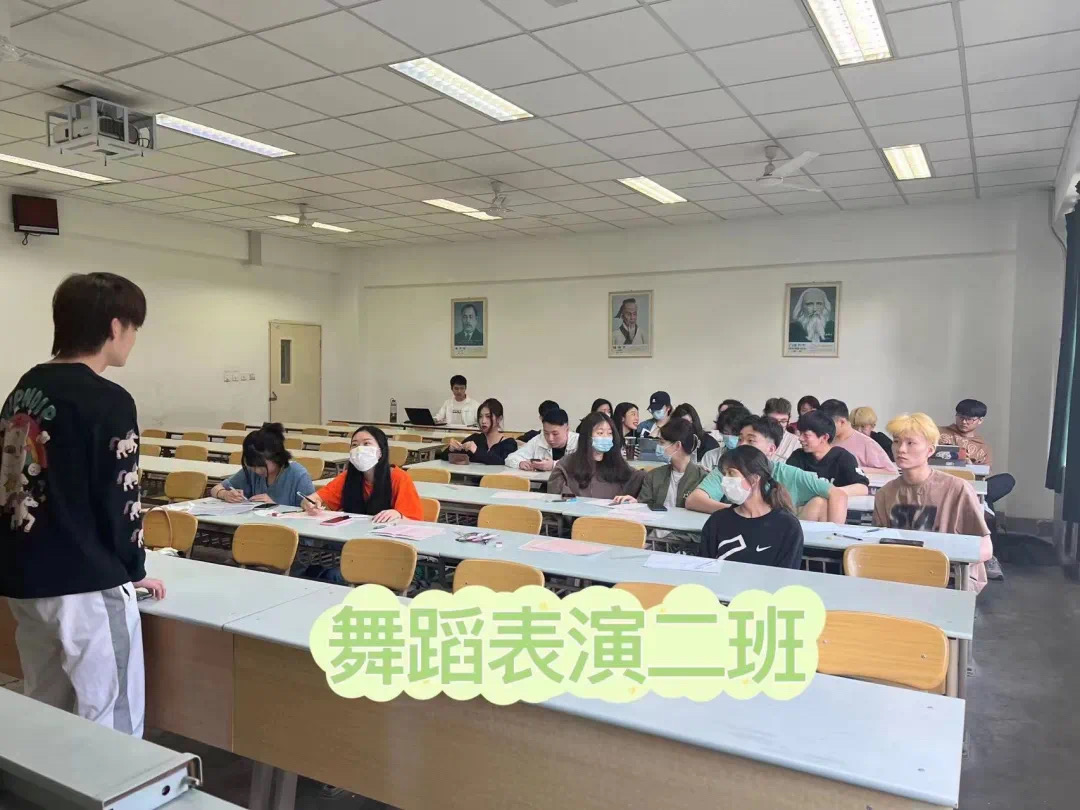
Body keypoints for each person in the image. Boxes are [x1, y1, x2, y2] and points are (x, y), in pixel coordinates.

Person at [1, 272, 164, 738]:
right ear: (115, 327)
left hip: (25, 575)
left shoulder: (24, 388)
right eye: (133, 328)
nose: (133, 339)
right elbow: (121, 497)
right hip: (85, 582)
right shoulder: (107, 400)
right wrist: (133, 568)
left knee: (47, 707)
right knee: (111, 718)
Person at [873, 413, 992, 593]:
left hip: (950, 575)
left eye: (910, 443)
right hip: (903, 572)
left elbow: (985, 548)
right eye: (896, 441)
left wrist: (943, 560)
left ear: (930, 450)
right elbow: (878, 542)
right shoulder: (885, 493)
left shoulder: (957, 489)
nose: (901, 449)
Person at [687, 416, 848, 523]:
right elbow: (694, 500)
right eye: (740, 439)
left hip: (776, 539)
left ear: (771, 450)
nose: (742, 445)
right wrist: (739, 512)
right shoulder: (727, 469)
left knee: (820, 503)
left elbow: (837, 494)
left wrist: (833, 537)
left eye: (751, 441)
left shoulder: (789, 473)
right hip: (734, 532)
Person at [699, 446, 804, 568]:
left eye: (731, 473)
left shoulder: (787, 525)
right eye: (724, 474)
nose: (725, 480)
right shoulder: (718, 520)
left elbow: (787, 573)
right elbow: (703, 567)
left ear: (754, 479)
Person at [614, 419, 706, 546]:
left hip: (682, 544)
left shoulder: (703, 479)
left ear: (677, 446)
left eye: (662, 442)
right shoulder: (654, 475)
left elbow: (700, 526)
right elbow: (644, 508)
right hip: (651, 539)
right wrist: (635, 505)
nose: (658, 446)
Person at [304, 426, 423, 522]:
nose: (359, 449)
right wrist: (310, 504)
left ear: (381, 451)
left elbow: (415, 521)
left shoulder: (399, 477)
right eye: (354, 445)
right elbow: (311, 499)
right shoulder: (348, 476)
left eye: (366, 444)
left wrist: (398, 515)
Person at [211, 423, 315, 506]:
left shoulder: (298, 475)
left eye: (260, 466)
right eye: (252, 466)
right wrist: (225, 494)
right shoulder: (251, 471)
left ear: (276, 457)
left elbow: (311, 511)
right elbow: (215, 489)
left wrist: (275, 506)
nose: (256, 470)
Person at [548, 412, 644, 499]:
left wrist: (634, 501)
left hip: (611, 512)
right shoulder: (567, 465)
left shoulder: (617, 463)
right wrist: (576, 503)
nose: (606, 437)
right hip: (578, 512)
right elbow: (558, 495)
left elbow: (640, 480)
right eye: (600, 433)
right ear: (587, 436)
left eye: (610, 433)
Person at [787, 409, 869, 494]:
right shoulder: (797, 456)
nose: (800, 438)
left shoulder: (843, 458)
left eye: (806, 435)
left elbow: (862, 488)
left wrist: (829, 492)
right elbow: (784, 483)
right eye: (800, 433)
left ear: (824, 437)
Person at [820, 399, 897, 473]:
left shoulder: (867, 443)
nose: (825, 427)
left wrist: (856, 469)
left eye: (829, 424)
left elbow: (891, 471)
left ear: (842, 422)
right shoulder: (825, 440)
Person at [438, 398, 518, 465]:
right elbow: (444, 458)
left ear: (499, 419)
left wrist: (476, 450)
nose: (483, 421)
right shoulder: (475, 438)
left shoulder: (509, 443)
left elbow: (503, 462)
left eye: (488, 416)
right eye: (480, 417)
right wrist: (451, 449)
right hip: (471, 479)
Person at [505, 408, 578, 471]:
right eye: (546, 433)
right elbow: (510, 458)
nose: (550, 438)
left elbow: (582, 465)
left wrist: (554, 465)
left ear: (567, 430)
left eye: (555, 434)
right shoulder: (539, 440)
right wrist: (520, 463)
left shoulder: (579, 441)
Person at [937, 399, 993, 467]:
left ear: (980, 420)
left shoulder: (982, 448)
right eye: (961, 417)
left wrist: (970, 465)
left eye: (969, 419)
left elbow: (985, 471)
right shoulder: (937, 432)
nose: (964, 422)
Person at [699, 405, 752, 471]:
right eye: (726, 433)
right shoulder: (711, 456)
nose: (730, 437)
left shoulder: (754, 458)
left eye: (735, 433)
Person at [763, 397, 801, 461]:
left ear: (788, 420)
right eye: (773, 421)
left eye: (783, 421)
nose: (778, 425)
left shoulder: (797, 443)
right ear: (764, 418)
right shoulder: (755, 437)